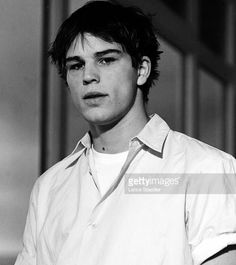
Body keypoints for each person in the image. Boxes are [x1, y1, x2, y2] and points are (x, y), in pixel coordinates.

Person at [15, 1, 236, 265]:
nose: (88, 76)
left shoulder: (207, 169)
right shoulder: (48, 188)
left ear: (141, 70)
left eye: (106, 60)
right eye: (76, 65)